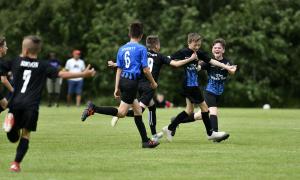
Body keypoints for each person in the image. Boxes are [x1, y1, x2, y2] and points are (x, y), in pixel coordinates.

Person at [0, 35, 95, 172]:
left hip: (15, 103)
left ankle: (12, 122)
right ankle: (16, 163)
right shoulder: (43, 65)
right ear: (37, 51)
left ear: (25, 50)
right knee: (25, 135)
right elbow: (62, 74)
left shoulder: (16, 61)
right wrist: (83, 74)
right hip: (31, 106)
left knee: (13, 137)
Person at [81, 22, 160, 148]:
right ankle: (93, 108)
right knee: (122, 113)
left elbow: (119, 69)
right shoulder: (141, 49)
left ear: (129, 34)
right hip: (132, 83)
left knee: (138, 111)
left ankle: (145, 141)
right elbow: (145, 70)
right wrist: (153, 82)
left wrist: (116, 87)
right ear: (141, 36)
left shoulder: (122, 48)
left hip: (124, 81)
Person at [107, 35, 197, 142]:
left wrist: (115, 64)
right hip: (148, 87)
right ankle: (119, 114)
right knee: (139, 111)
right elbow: (176, 64)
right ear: (157, 45)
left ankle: (154, 134)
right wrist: (190, 59)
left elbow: (131, 62)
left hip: (138, 84)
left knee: (152, 107)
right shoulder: (159, 56)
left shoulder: (143, 53)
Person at [161, 33, 237, 142]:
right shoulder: (183, 52)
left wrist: (226, 66)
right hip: (189, 85)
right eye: (195, 45)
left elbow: (212, 61)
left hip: (192, 85)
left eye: (199, 45)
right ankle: (211, 133)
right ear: (189, 43)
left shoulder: (199, 53)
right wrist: (189, 60)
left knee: (189, 111)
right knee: (205, 109)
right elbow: (168, 59)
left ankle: (170, 127)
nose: (197, 47)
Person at [0, 37, 14, 115]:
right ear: (0, 48)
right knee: (5, 104)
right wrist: (13, 90)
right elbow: (4, 80)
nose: (7, 48)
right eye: (5, 46)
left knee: (4, 104)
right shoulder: (1, 63)